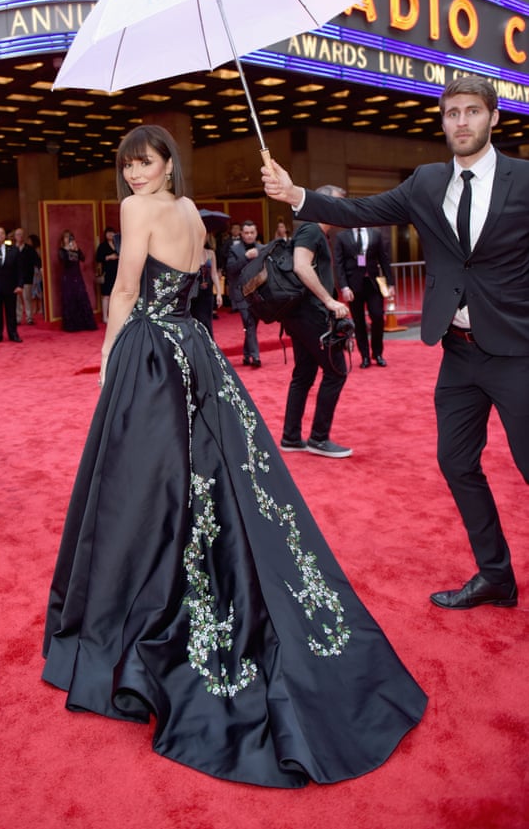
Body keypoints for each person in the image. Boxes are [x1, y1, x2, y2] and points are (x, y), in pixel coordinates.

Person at [42, 124, 426, 788]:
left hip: (153, 353)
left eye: (148, 161)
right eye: (128, 164)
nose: (136, 174)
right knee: (211, 481)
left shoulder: (139, 210)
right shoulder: (192, 211)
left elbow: (129, 288)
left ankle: (136, 606)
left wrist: (108, 352)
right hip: (197, 351)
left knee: (144, 484)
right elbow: (204, 286)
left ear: (169, 163)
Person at [262, 73, 528, 611]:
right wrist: (296, 195)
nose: (461, 122)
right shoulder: (427, 182)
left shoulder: (524, 180)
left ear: (493, 117)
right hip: (457, 351)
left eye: (472, 111)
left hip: (518, 352)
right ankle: (496, 574)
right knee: (456, 462)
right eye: (452, 113)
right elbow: (360, 210)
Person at [280, 188, 353, 459]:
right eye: (338, 203)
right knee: (336, 371)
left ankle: (291, 436)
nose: (341, 209)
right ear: (325, 203)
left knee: (304, 374)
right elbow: (301, 265)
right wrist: (329, 300)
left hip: (300, 314)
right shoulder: (311, 230)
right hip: (311, 314)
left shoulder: (314, 231)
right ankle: (318, 438)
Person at [334, 225, 394, 368]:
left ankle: (377, 353)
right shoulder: (342, 237)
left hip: (373, 283)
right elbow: (339, 264)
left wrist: (391, 283)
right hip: (353, 286)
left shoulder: (376, 234)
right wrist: (344, 287)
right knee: (359, 321)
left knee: (378, 316)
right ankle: (365, 356)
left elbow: (384, 259)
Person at [225, 219, 262, 367]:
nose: (249, 235)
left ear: (256, 233)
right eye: (246, 233)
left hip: (258, 294)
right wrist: (245, 257)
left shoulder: (261, 248)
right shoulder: (235, 250)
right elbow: (230, 269)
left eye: (252, 232)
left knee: (253, 324)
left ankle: (247, 355)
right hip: (241, 293)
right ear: (241, 234)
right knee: (249, 323)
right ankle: (256, 356)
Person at [59, 230, 97, 331]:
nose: (68, 239)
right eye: (66, 237)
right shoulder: (62, 250)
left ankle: (85, 324)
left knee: (81, 297)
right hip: (68, 277)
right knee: (70, 299)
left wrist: (76, 249)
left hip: (77, 276)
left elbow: (82, 258)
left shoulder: (76, 248)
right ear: (63, 240)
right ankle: (72, 326)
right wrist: (70, 250)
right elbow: (65, 261)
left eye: (70, 236)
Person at [189, 237, 223, 335]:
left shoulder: (210, 253)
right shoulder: (190, 254)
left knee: (207, 320)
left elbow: (214, 274)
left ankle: (209, 345)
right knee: (195, 320)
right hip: (194, 292)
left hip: (207, 292)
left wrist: (219, 293)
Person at [13, 227, 38, 325]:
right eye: (18, 234)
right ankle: (18, 318)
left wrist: (40, 268)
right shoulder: (11, 249)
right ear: (15, 237)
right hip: (14, 279)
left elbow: (37, 260)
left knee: (27, 298)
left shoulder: (29, 249)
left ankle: (29, 317)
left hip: (27, 277)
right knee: (17, 300)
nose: (20, 236)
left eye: (22, 234)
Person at [95, 226, 119, 324]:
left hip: (117, 272)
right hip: (107, 272)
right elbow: (98, 258)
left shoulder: (117, 244)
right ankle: (105, 316)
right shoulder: (102, 246)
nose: (110, 234)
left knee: (116, 295)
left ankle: (115, 316)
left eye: (112, 232)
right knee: (106, 295)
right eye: (108, 233)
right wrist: (109, 257)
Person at [28, 233, 44, 317]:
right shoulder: (30, 249)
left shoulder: (38, 249)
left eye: (30, 240)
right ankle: (35, 308)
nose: (28, 242)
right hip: (33, 270)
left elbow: (40, 260)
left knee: (38, 289)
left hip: (37, 271)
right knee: (34, 290)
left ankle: (40, 308)